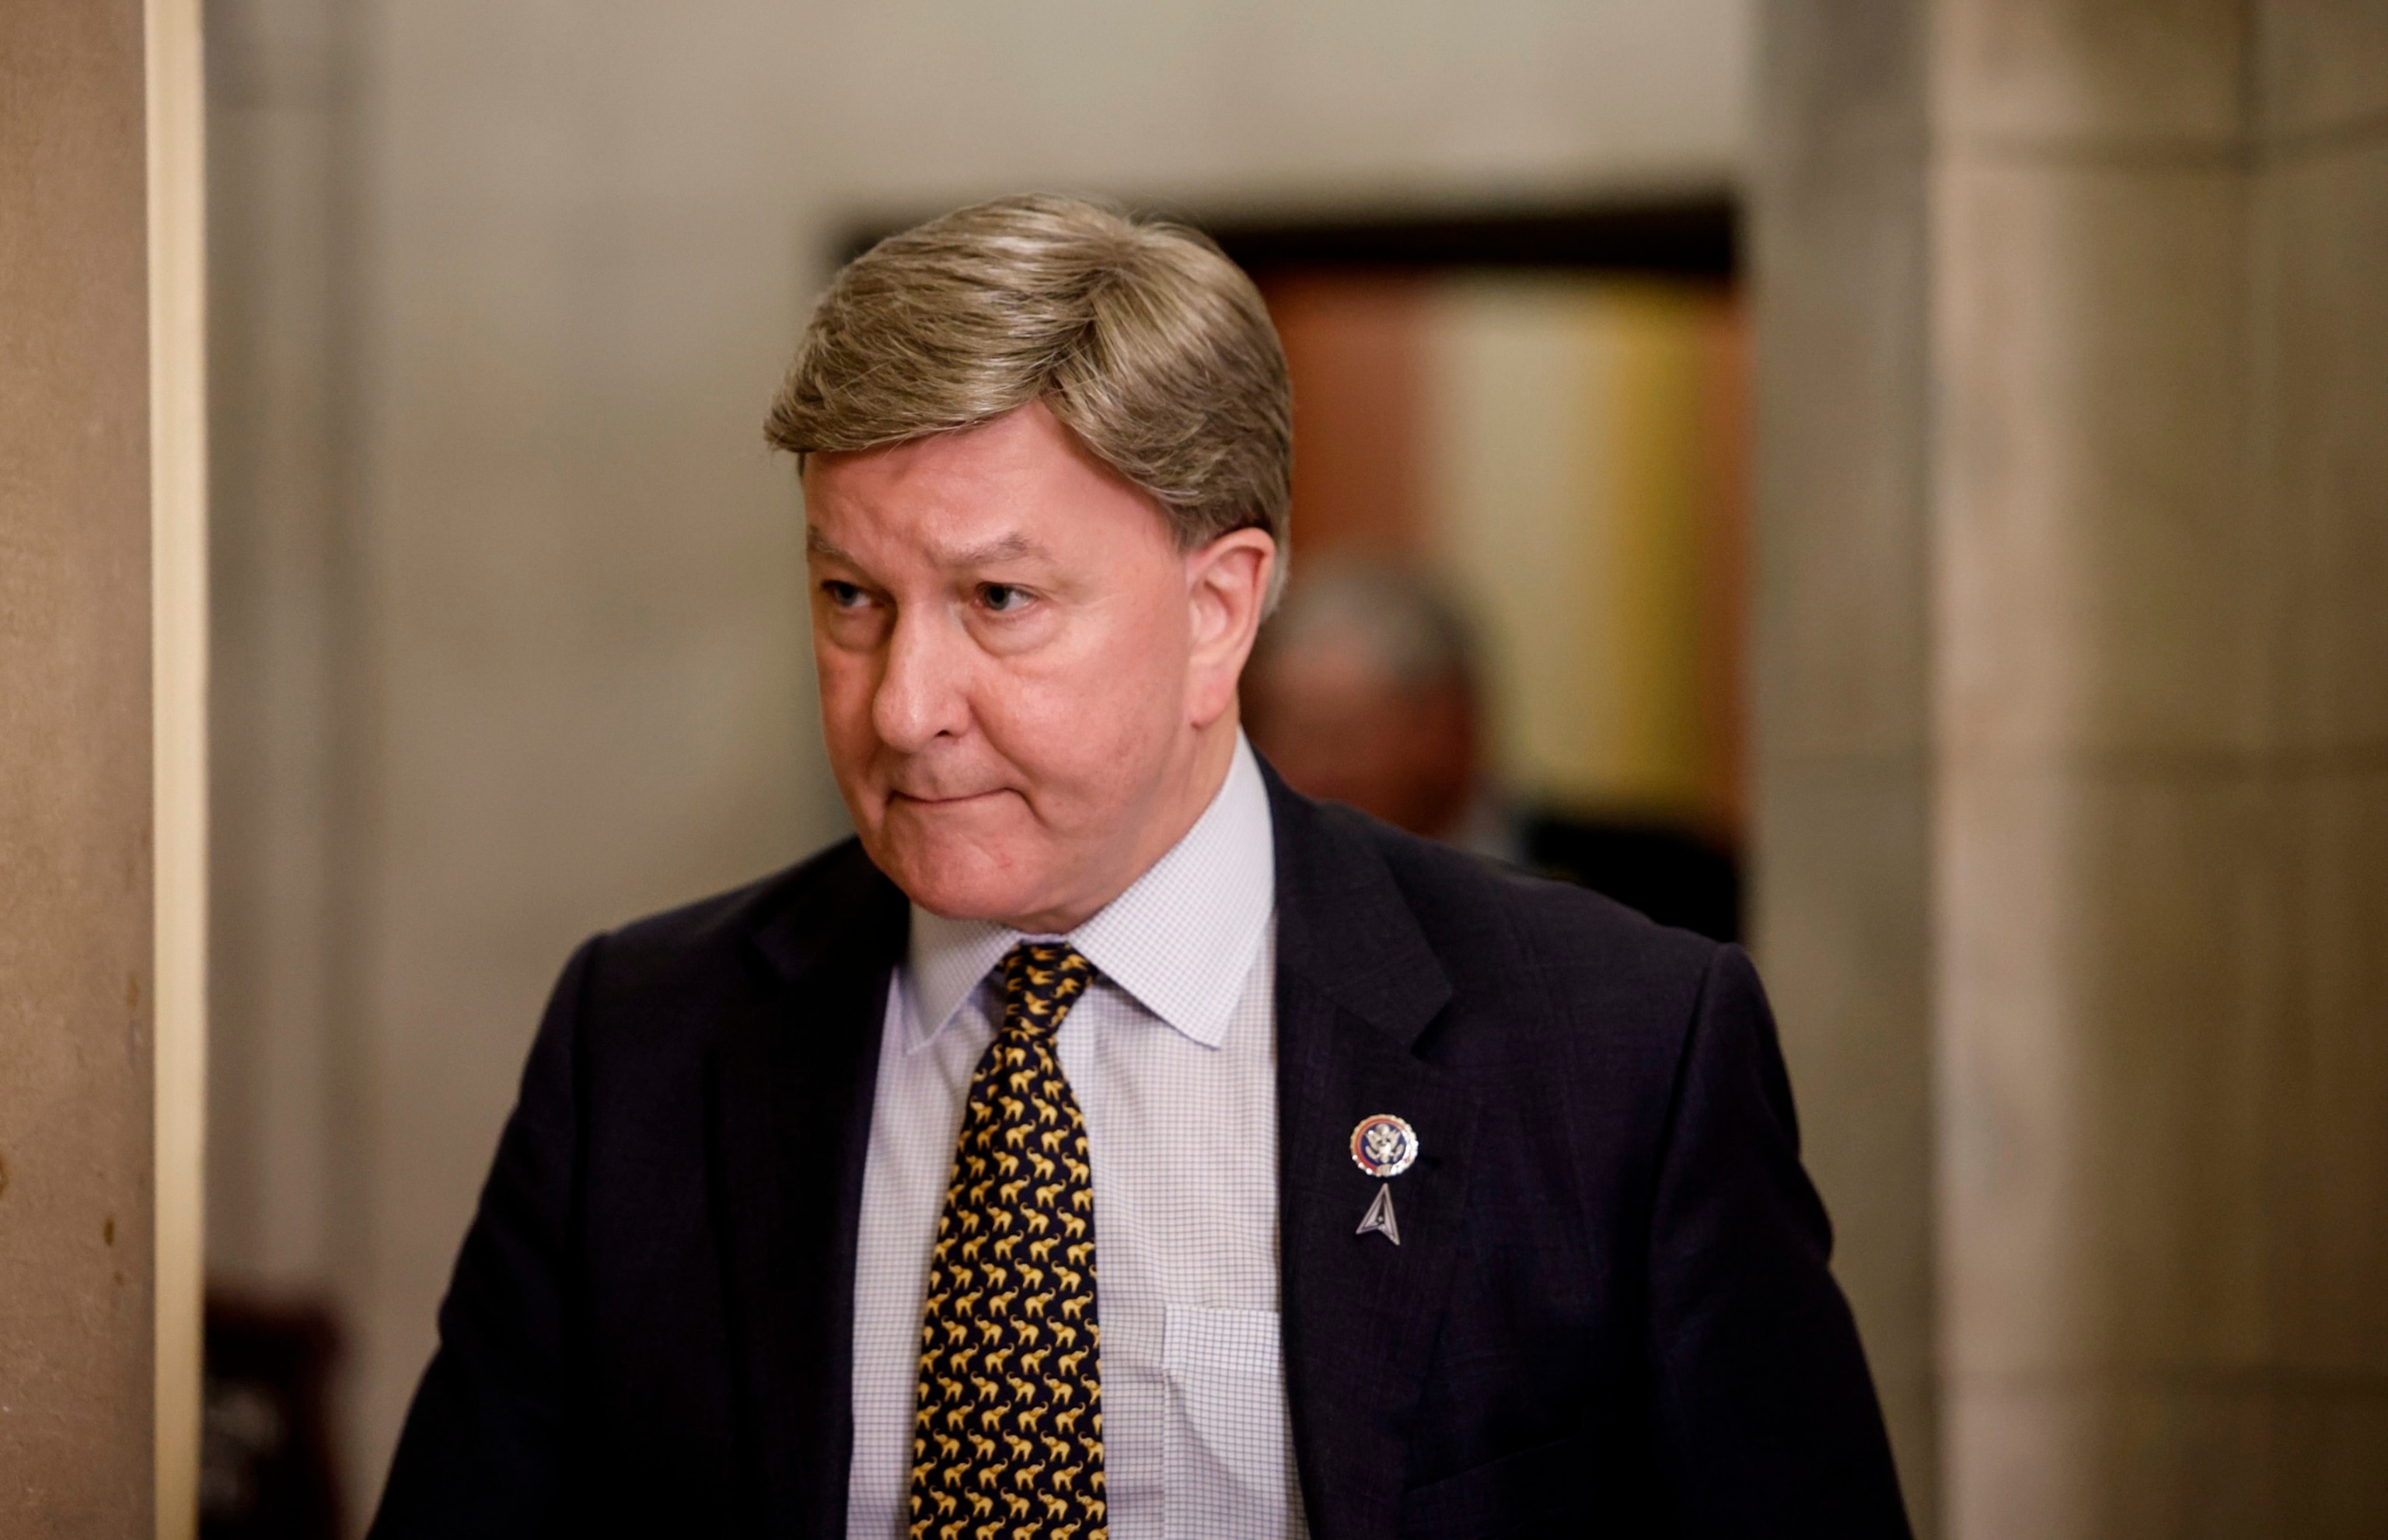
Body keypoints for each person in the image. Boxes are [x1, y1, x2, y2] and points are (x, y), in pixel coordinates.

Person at [369, 195, 1909, 1540]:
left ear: (1222, 608)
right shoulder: (645, 1041)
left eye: (998, 599)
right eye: (852, 596)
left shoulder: (1617, 1053)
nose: (904, 706)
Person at [1243, 559, 1742, 942]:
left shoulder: (1669, 890)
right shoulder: (1252, 906)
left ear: (1450, 727)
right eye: (1286, 736)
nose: (1310, 773)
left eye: (1340, 740)